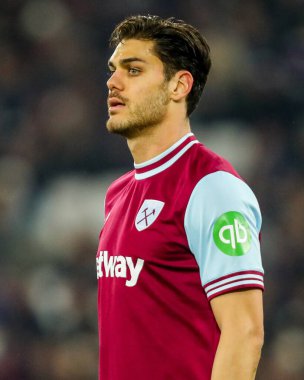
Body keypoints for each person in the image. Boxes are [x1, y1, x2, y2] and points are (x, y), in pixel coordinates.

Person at [96, 15, 264, 380]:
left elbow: (245, 333)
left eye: (134, 70)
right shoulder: (119, 194)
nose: (113, 82)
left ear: (179, 85)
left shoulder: (212, 188)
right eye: (113, 70)